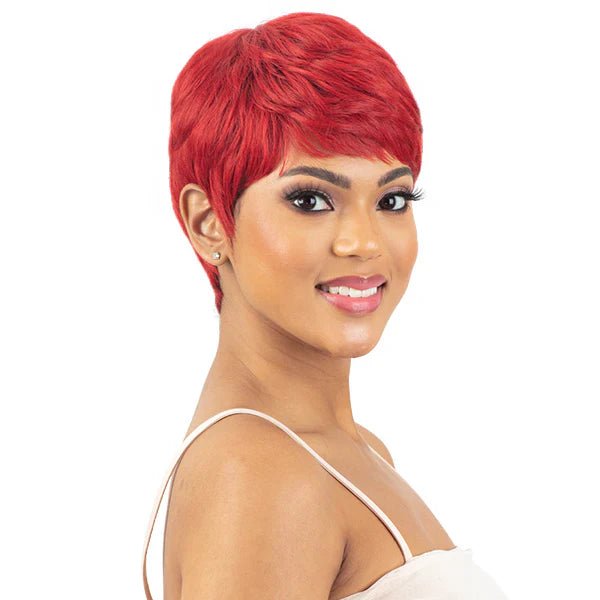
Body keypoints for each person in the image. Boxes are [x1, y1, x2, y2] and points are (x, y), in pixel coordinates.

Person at [142, 11, 508, 599]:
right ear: (209, 223)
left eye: (392, 200)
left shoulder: (353, 451)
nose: (363, 242)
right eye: (311, 199)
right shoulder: (260, 472)